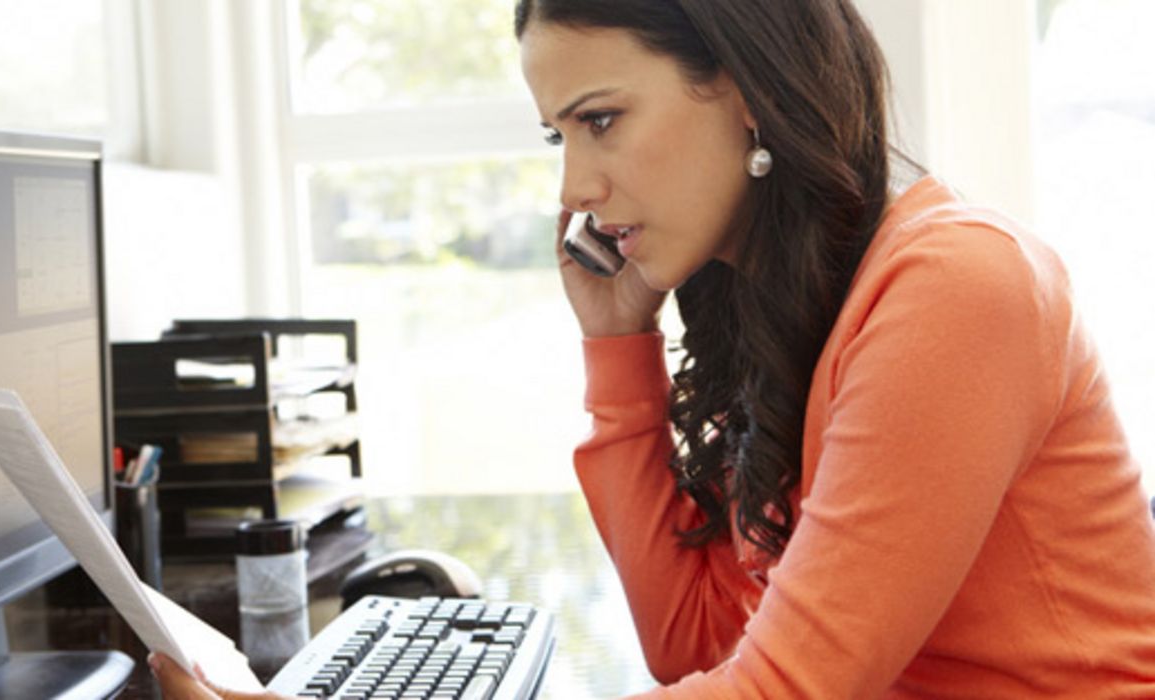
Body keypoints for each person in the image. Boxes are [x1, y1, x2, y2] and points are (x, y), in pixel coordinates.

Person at [153, 1, 1155, 697]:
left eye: (602, 121)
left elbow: (787, 689)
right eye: (560, 137)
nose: (573, 190)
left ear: (750, 89)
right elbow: (697, 646)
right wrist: (618, 344)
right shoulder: (775, 299)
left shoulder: (955, 288)